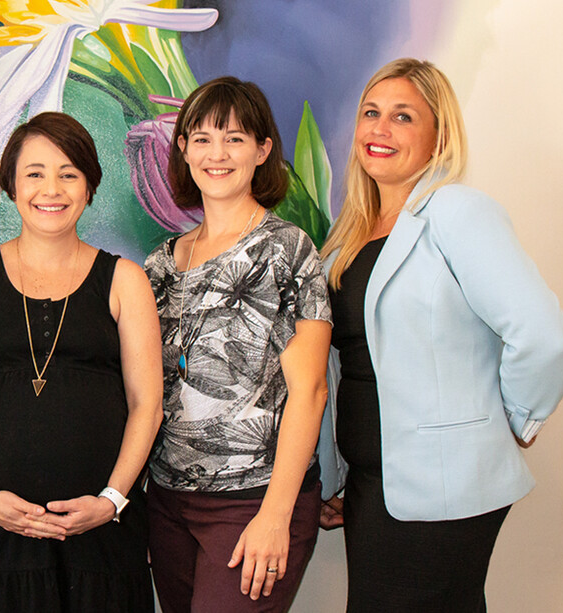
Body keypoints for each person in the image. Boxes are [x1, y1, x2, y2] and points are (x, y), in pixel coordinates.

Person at [316, 58, 563, 612]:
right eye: (371, 113)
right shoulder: (347, 239)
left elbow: (542, 334)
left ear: (438, 137)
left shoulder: (457, 212)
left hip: (444, 489)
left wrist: (518, 420)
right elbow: (340, 367)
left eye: (403, 117)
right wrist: (336, 475)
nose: (379, 130)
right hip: (374, 486)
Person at [0, 112, 163, 612]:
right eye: (34, 173)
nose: (51, 188)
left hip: (98, 537)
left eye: (69, 173)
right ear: (11, 185)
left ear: (89, 187)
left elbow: (147, 405)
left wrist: (112, 501)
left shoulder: (126, 280)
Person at [142, 76, 332, 612]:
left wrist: (276, 514)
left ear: (262, 150)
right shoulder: (158, 264)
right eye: (201, 138)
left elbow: (311, 391)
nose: (217, 154)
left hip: (253, 501)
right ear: (182, 149)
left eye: (234, 138)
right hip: (168, 500)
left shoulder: (287, 250)